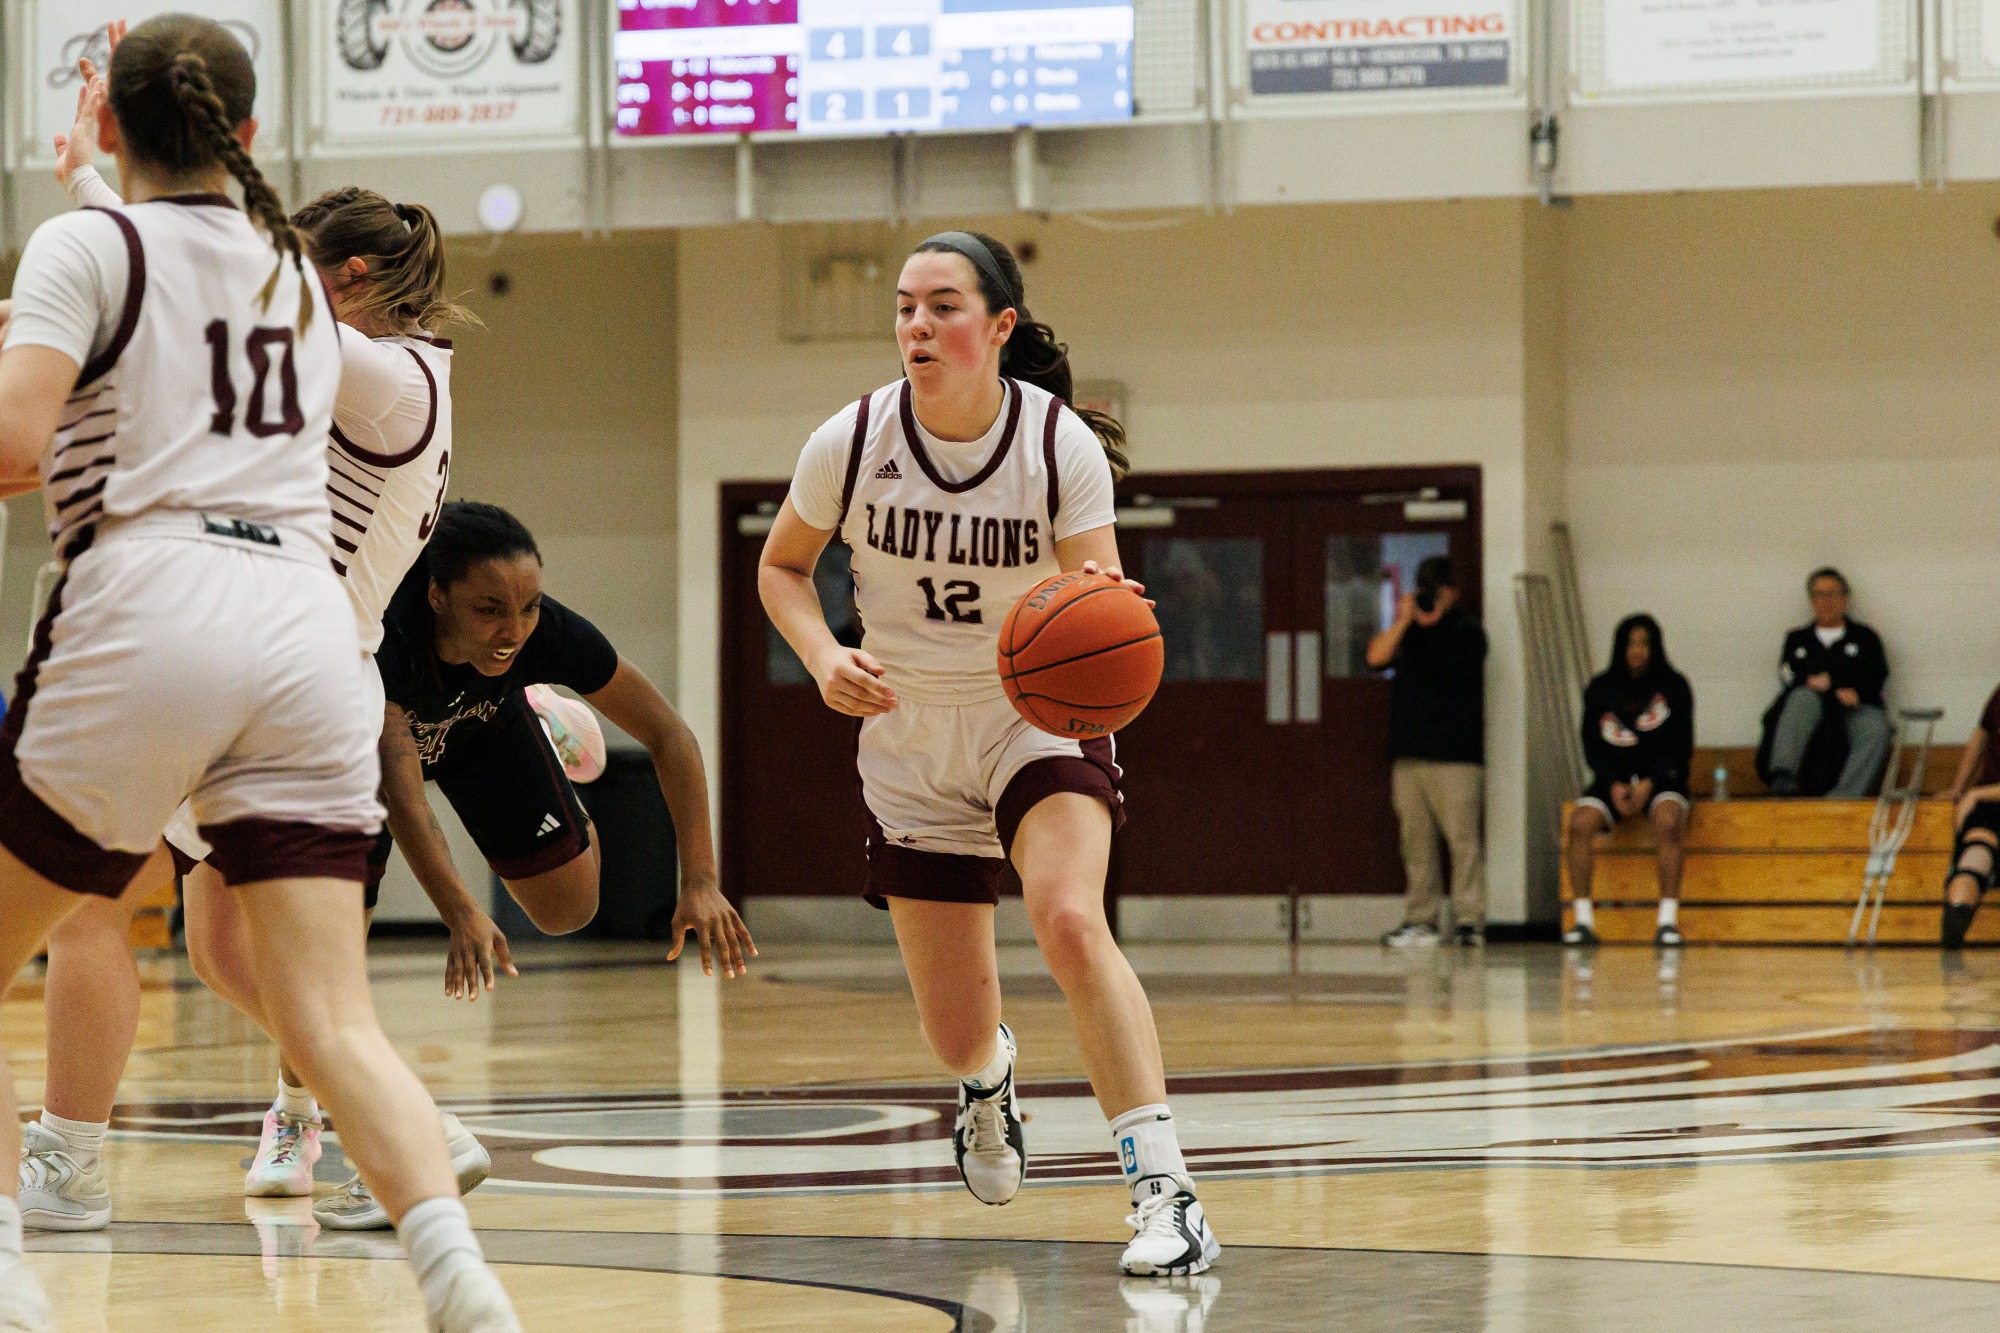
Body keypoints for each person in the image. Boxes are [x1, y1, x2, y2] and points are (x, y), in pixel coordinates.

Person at [0, 16, 515, 1331]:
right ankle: (463, 1283)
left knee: (79, 922)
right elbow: (185, 277)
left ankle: (21, 1242)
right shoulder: (289, 274)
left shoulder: (342, 341)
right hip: (301, 645)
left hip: (160, 609)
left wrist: (60, 261)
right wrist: (89, 191)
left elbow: (23, 437)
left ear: (117, 124)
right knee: (310, 1003)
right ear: (252, 138)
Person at [759, 231, 1219, 1277]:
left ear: (998, 327)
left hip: (1034, 715)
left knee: (1066, 917)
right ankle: (989, 1079)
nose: (916, 326)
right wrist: (823, 653)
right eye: (903, 307)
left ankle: (1165, 1191)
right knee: (955, 1034)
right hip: (909, 737)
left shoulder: (1057, 446)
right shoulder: (852, 437)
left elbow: (1092, 595)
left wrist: (1110, 612)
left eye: (942, 307)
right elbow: (782, 567)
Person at [194, 501, 746, 1229]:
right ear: (436, 594)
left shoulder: (539, 633)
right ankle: (316, 1117)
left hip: (480, 729)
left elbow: (670, 734)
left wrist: (699, 879)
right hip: (366, 760)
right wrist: (458, 907)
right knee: (319, 971)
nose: (513, 627)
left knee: (569, 906)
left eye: (527, 605)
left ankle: (539, 715)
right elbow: (403, 789)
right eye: (490, 609)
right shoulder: (387, 638)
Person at [1368, 555, 1488, 947]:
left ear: (1453, 591)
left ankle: (1470, 920)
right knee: (1415, 841)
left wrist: (1434, 624)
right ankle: (1421, 918)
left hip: (1455, 757)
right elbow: (1375, 657)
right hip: (1409, 754)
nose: (1431, 597)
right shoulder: (1409, 633)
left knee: (1462, 841)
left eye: (1438, 588)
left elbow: (1454, 672)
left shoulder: (1468, 632)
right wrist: (1403, 621)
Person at [1563, 615, 1695, 948]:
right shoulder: (1600, 688)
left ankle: (1667, 922)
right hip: (1613, 780)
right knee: (1578, 824)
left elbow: (1682, 745)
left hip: (1662, 779)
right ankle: (1583, 922)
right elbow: (1591, 745)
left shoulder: (1675, 685)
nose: (1637, 650)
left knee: (1667, 820)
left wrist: (1650, 783)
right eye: (1631, 643)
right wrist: (1612, 783)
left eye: (1644, 643)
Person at [1760, 568, 1890, 798]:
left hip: (1850, 710)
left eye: (1831, 594)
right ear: (1811, 600)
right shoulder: (1798, 639)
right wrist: (1831, 684)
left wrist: (1839, 685)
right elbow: (1790, 676)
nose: (1825, 601)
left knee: (1876, 724)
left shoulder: (1865, 637)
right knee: (1801, 697)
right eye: (1819, 594)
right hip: (1811, 709)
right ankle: (1783, 777)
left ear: (1844, 598)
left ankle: (1844, 797)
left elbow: (1876, 675)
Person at [1939, 682, 2000, 947]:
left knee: (1977, 851)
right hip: (1990, 800)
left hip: (1988, 798)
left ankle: (1959, 904)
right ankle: (1959, 908)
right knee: (1978, 850)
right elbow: (1981, 736)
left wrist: (1974, 795)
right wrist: (1957, 787)